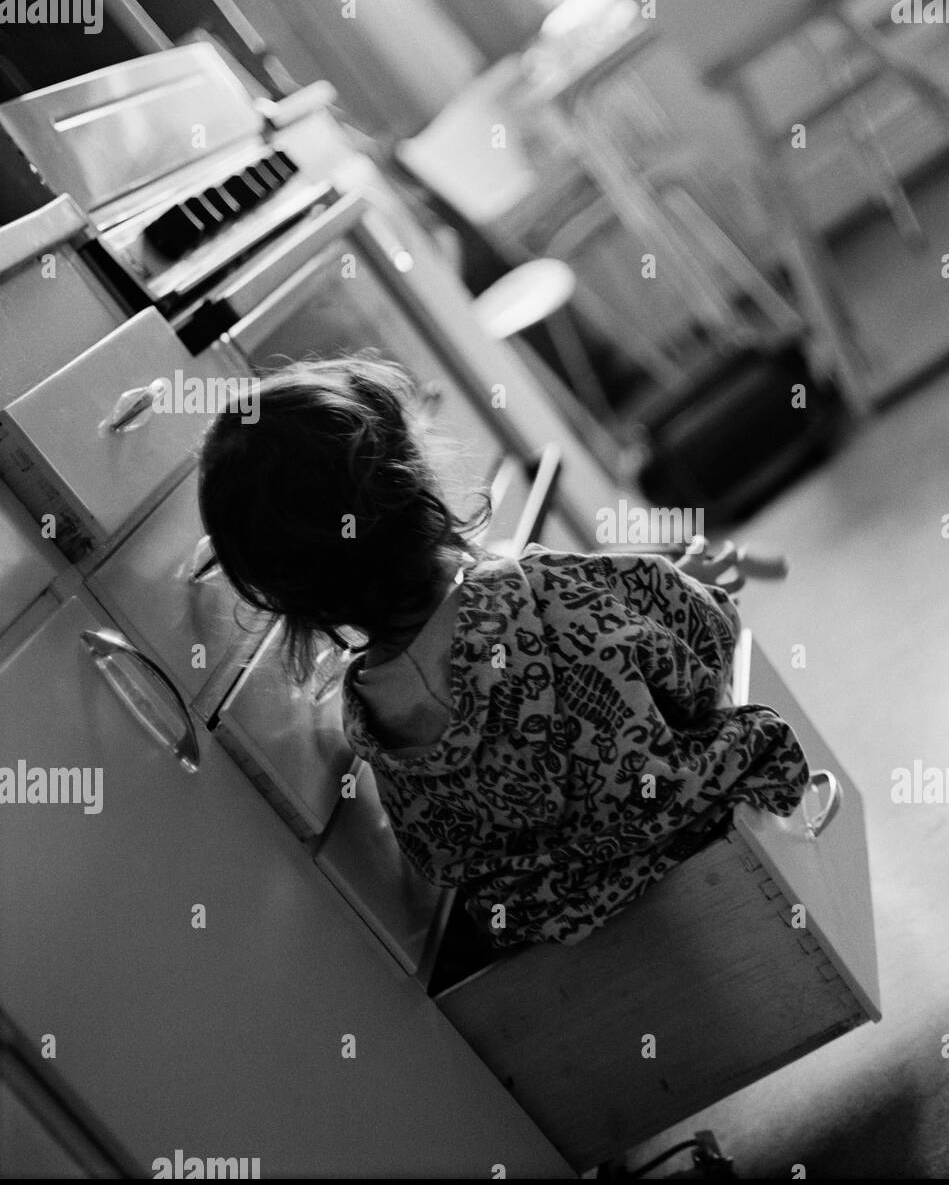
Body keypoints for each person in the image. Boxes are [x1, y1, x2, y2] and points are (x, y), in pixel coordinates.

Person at [197, 354, 809, 949]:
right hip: (690, 817)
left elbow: (439, 859)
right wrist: (699, 584)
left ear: (298, 601)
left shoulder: (376, 732)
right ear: (414, 479)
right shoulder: (551, 586)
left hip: (563, 910)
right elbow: (703, 649)